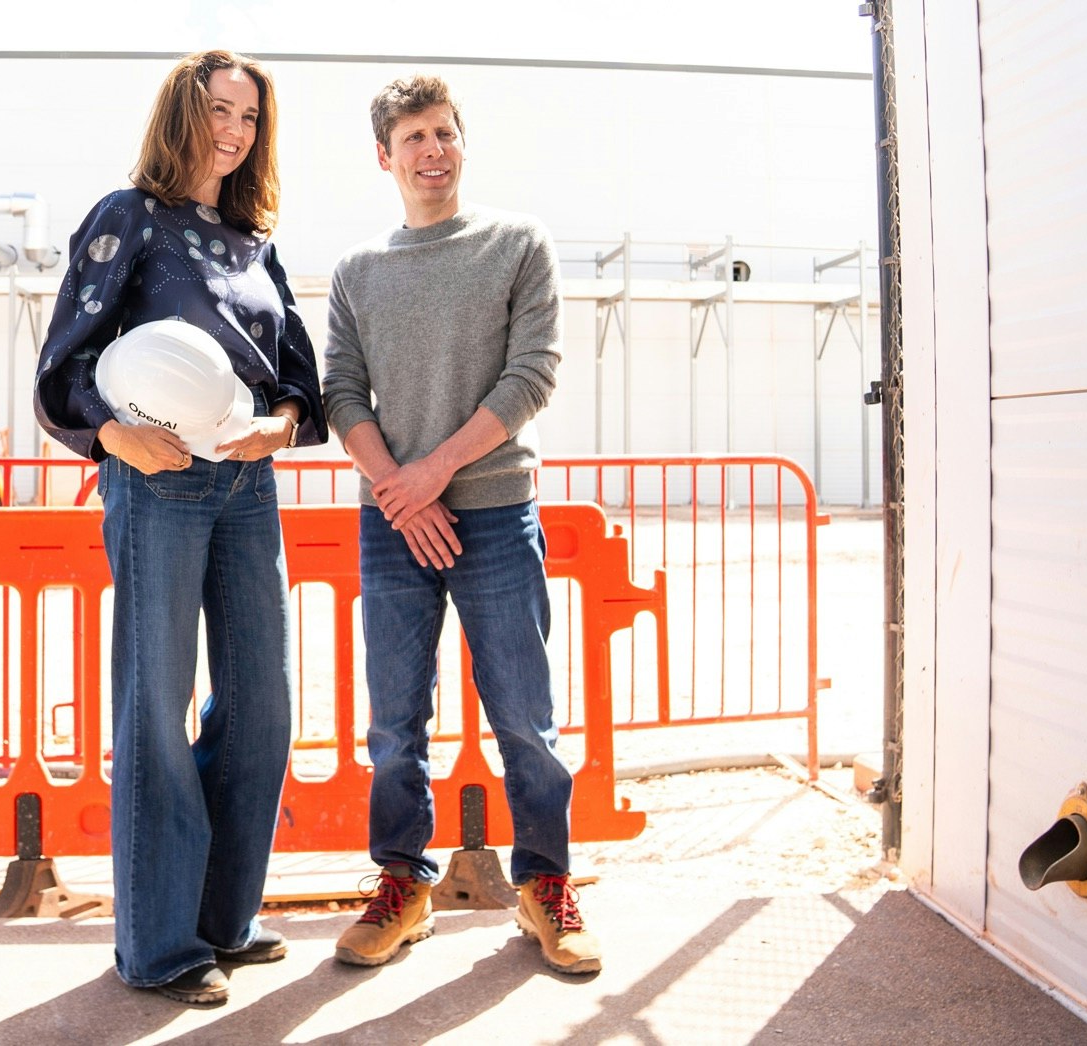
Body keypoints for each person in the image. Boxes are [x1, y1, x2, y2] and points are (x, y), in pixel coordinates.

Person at [33, 49, 325, 1006]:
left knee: (261, 707)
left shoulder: (254, 241)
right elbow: (62, 368)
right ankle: (159, 945)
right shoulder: (128, 220)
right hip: (155, 481)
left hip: (244, 486)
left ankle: (222, 924)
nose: (234, 131)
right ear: (180, 116)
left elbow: (296, 381)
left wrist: (279, 426)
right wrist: (117, 437)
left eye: (249, 117)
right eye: (218, 111)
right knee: (155, 708)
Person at [321, 73, 602, 975]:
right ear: (385, 156)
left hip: (493, 514)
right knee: (394, 725)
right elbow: (339, 394)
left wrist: (430, 474)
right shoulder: (359, 272)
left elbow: (533, 374)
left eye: (445, 133)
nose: (433, 151)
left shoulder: (517, 243)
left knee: (525, 719)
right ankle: (403, 886)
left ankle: (544, 888)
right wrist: (401, 494)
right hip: (393, 527)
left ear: (460, 143)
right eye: (415, 138)